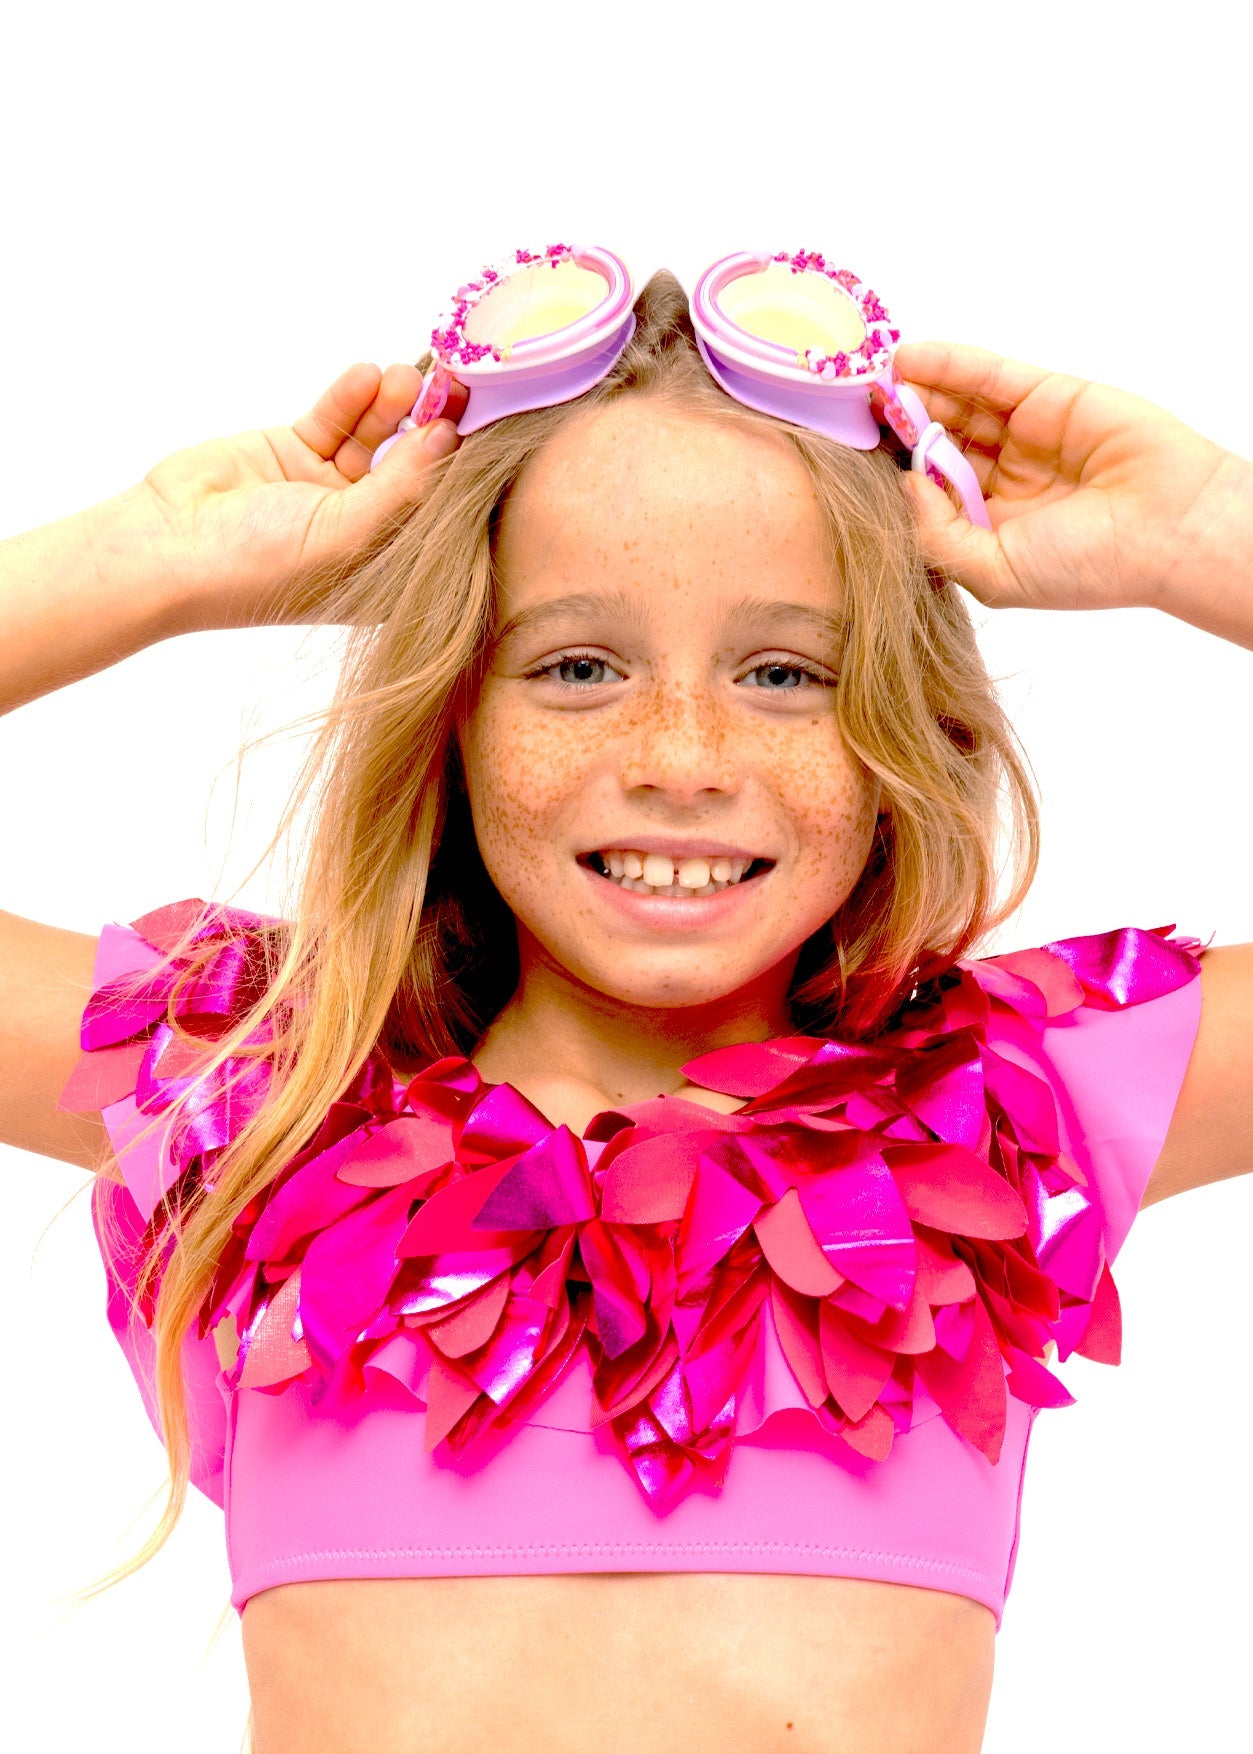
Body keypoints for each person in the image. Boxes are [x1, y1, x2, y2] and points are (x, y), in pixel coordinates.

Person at [2, 260, 1250, 1754]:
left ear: (900, 728)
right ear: (453, 705)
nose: (680, 753)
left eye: (786, 672)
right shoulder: (255, 1089)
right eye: (577, 665)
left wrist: (1201, 536)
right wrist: (159, 555)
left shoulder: (1008, 1111)